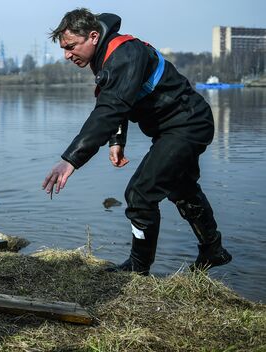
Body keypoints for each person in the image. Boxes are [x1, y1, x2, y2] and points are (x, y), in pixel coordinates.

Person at [42, 8, 232, 275]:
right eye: (64, 49)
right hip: (175, 127)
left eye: (71, 47)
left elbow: (109, 109)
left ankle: (138, 269)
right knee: (182, 189)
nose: (67, 55)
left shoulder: (124, 53)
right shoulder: (106, 54)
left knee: (139, 194)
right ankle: (214, 250)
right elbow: (117, 100)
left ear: (93, 36)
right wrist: (116, 141)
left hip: (188, 124)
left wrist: (70, 159)